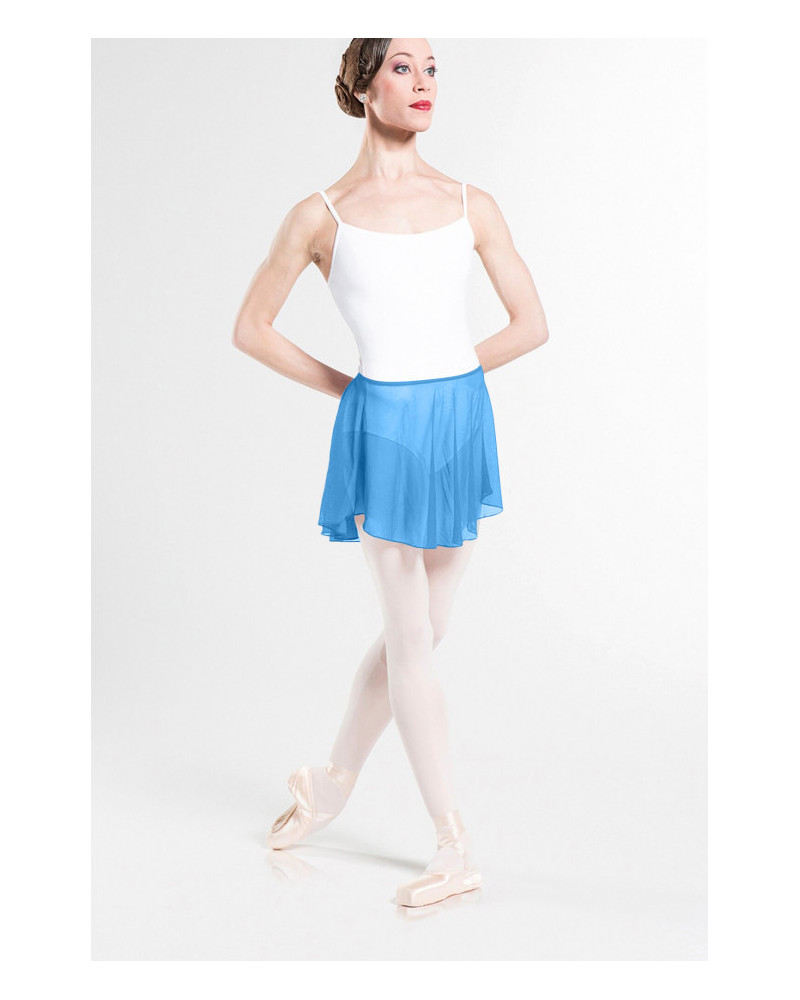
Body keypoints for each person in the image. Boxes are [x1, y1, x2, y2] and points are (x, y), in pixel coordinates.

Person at [232, 38, 549, 907]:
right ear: (363, 85)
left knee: (429, 628)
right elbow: (252, 327)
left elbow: (530, 323)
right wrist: (357, 391)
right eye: (404, 67)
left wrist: (449, 378)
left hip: (457, 423)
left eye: (433, 68)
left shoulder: (470, 203)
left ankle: (332, 782)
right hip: (384, 430)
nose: (425, 82)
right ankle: (453, 844)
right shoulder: (319, 216)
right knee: (409, 638)